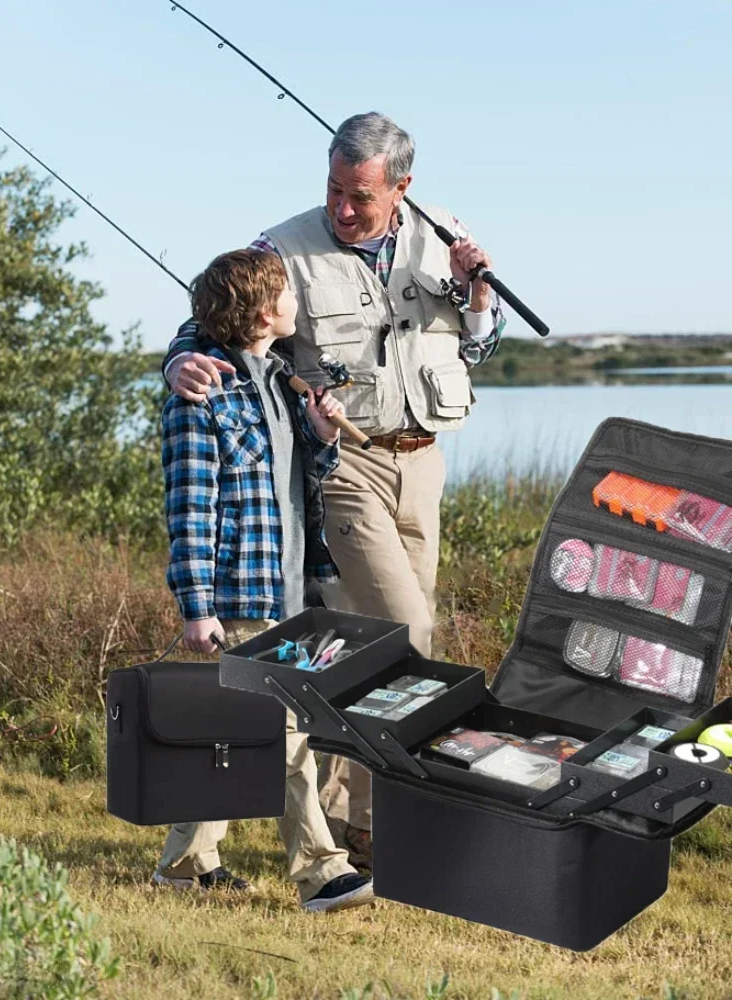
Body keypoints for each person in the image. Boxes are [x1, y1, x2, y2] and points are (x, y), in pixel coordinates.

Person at [162, 112, 505, 869]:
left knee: (388, 652)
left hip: (426, 464)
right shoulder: (281, 246)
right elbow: (217, 311)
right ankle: (374, 836)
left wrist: (478, 293)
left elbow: (480, 341)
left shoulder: (445, 234)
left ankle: (354, 817)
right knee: (408, 637)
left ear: (401, 188)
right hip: (344, 467)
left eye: (360, 196)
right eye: (333, 188)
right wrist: (176, 363)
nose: (342, 208)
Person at [154, 248, 373, 913]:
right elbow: (189, 506)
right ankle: (320, 873)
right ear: (262, 311)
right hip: (240, 597)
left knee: (241, 733)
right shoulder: (201, 396)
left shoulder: (279, 381)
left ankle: (188, 863)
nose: (297, 302)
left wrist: (322, 437)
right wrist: (197, 607)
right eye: (287, 293)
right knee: (287, 736)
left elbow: (298, 483)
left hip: (289, 591)